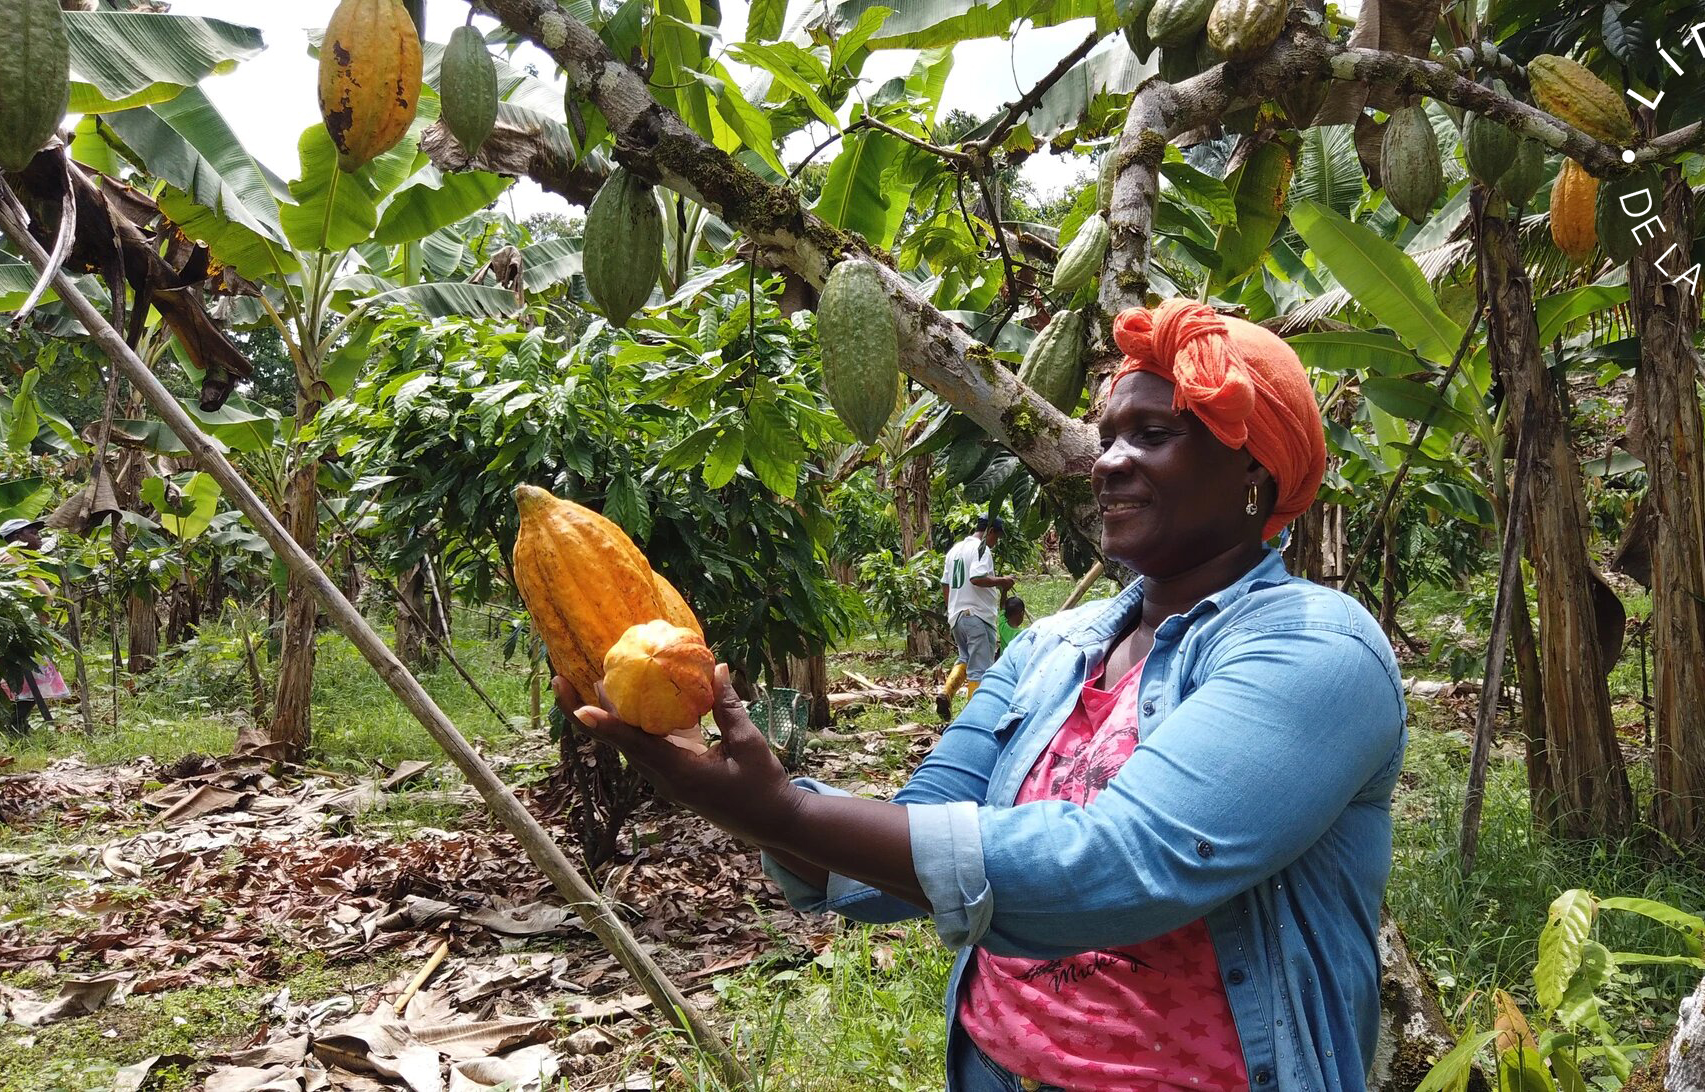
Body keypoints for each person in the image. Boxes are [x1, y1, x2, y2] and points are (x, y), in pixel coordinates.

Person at [560, 299, 1406, 1091]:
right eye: (1108, 436)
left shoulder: (1316, 650)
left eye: (1153, 434)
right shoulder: (1050, 649)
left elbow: (1121, 866)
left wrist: (781, 812)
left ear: (1254, 470)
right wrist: (710, 776)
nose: (1109, 462)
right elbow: (910, 844)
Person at [937, 516, 1015, 721]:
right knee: (979, 669)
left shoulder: (955, 550)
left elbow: (945, 584)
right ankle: (973, 718)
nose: (995, 542)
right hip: (977, 616)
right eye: (996, 537)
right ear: (990, 532)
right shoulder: (982, 549)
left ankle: (946, 692)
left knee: (965, 658)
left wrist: (952, 608)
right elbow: (976, 578)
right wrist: (1003, 581)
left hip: (957, 617)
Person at [0, 519, 70, 733]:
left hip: (32, 633)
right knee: (23, 683)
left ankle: (18, 725)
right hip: (19, 634)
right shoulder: (10, 559)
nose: (38, 535)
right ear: (18, 537)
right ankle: (15, 725)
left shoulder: (24, 559)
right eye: (32, 531)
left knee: (28, 685)